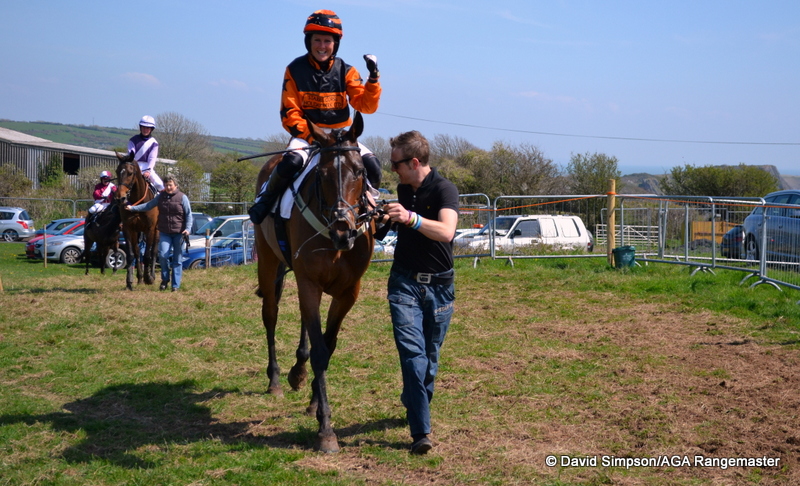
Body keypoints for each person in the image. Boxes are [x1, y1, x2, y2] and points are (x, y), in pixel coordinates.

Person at [248, 9, 383, 224]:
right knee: (291, 161)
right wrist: (315, 139)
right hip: (308, 135)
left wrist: (373, 79)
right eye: (317, 40)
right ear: (308, 42)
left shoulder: (347, 71)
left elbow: (365, 106)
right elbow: (289, 113)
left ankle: (371, 211)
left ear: (335, 44)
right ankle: (265, 201)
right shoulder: (294, 69)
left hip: (342, 137)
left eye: (327, 41)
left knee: (373, 166)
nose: (322, 46)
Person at [375, 130, 459, 455]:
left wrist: (409, 218)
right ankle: (421, 433)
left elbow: (446, 231)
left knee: (430, 358)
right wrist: (381, 216)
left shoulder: (443, 189)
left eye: (395, 164)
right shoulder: (401, 189)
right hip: (404, 283)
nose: (392, 170)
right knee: (413, 356)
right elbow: (387, 229)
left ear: (413, 162)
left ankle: (414, 399)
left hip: (440, 287)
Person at [125, 176, 193, 291]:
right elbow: (148, 206)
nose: (168, 187)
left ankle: (175, 286)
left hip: (179, 233)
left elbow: (188, 215)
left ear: (175, 186)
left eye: (170, 185)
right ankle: (165, 279)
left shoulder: (182, 197)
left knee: (177, 260)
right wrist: (132, 208)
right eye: (166, 185)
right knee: (163, 256)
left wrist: (188, 229)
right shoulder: (161, 197)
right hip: (165, 232)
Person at [127, 115, 164, 192]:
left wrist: (148, 171)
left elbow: (152, 158)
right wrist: (136, 169)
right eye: (143, 127)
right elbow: (131, 155)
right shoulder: (133, 140)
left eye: (148, 128)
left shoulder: (154, 143)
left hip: (147, 167)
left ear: (151, 129)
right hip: (133, 167)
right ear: (140, 127)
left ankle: (164, 203)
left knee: (160, 184)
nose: (145, 130)